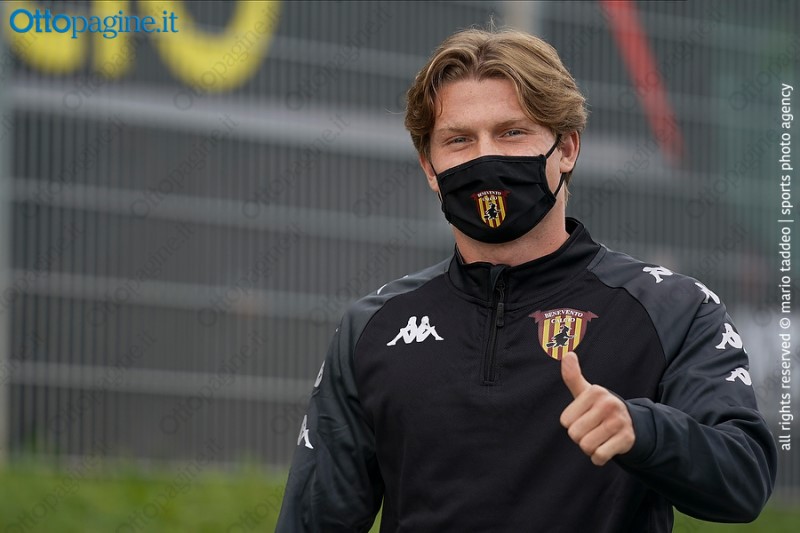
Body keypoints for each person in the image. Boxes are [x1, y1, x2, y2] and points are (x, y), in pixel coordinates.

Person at [276, 27, 777, 532]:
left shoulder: (674, 308)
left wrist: (643, 431)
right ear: (429, 167)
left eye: (512, 132)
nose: (484, 158)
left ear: (567, 148)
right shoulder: (373, 326)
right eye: (458, 140)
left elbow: (744, 479)